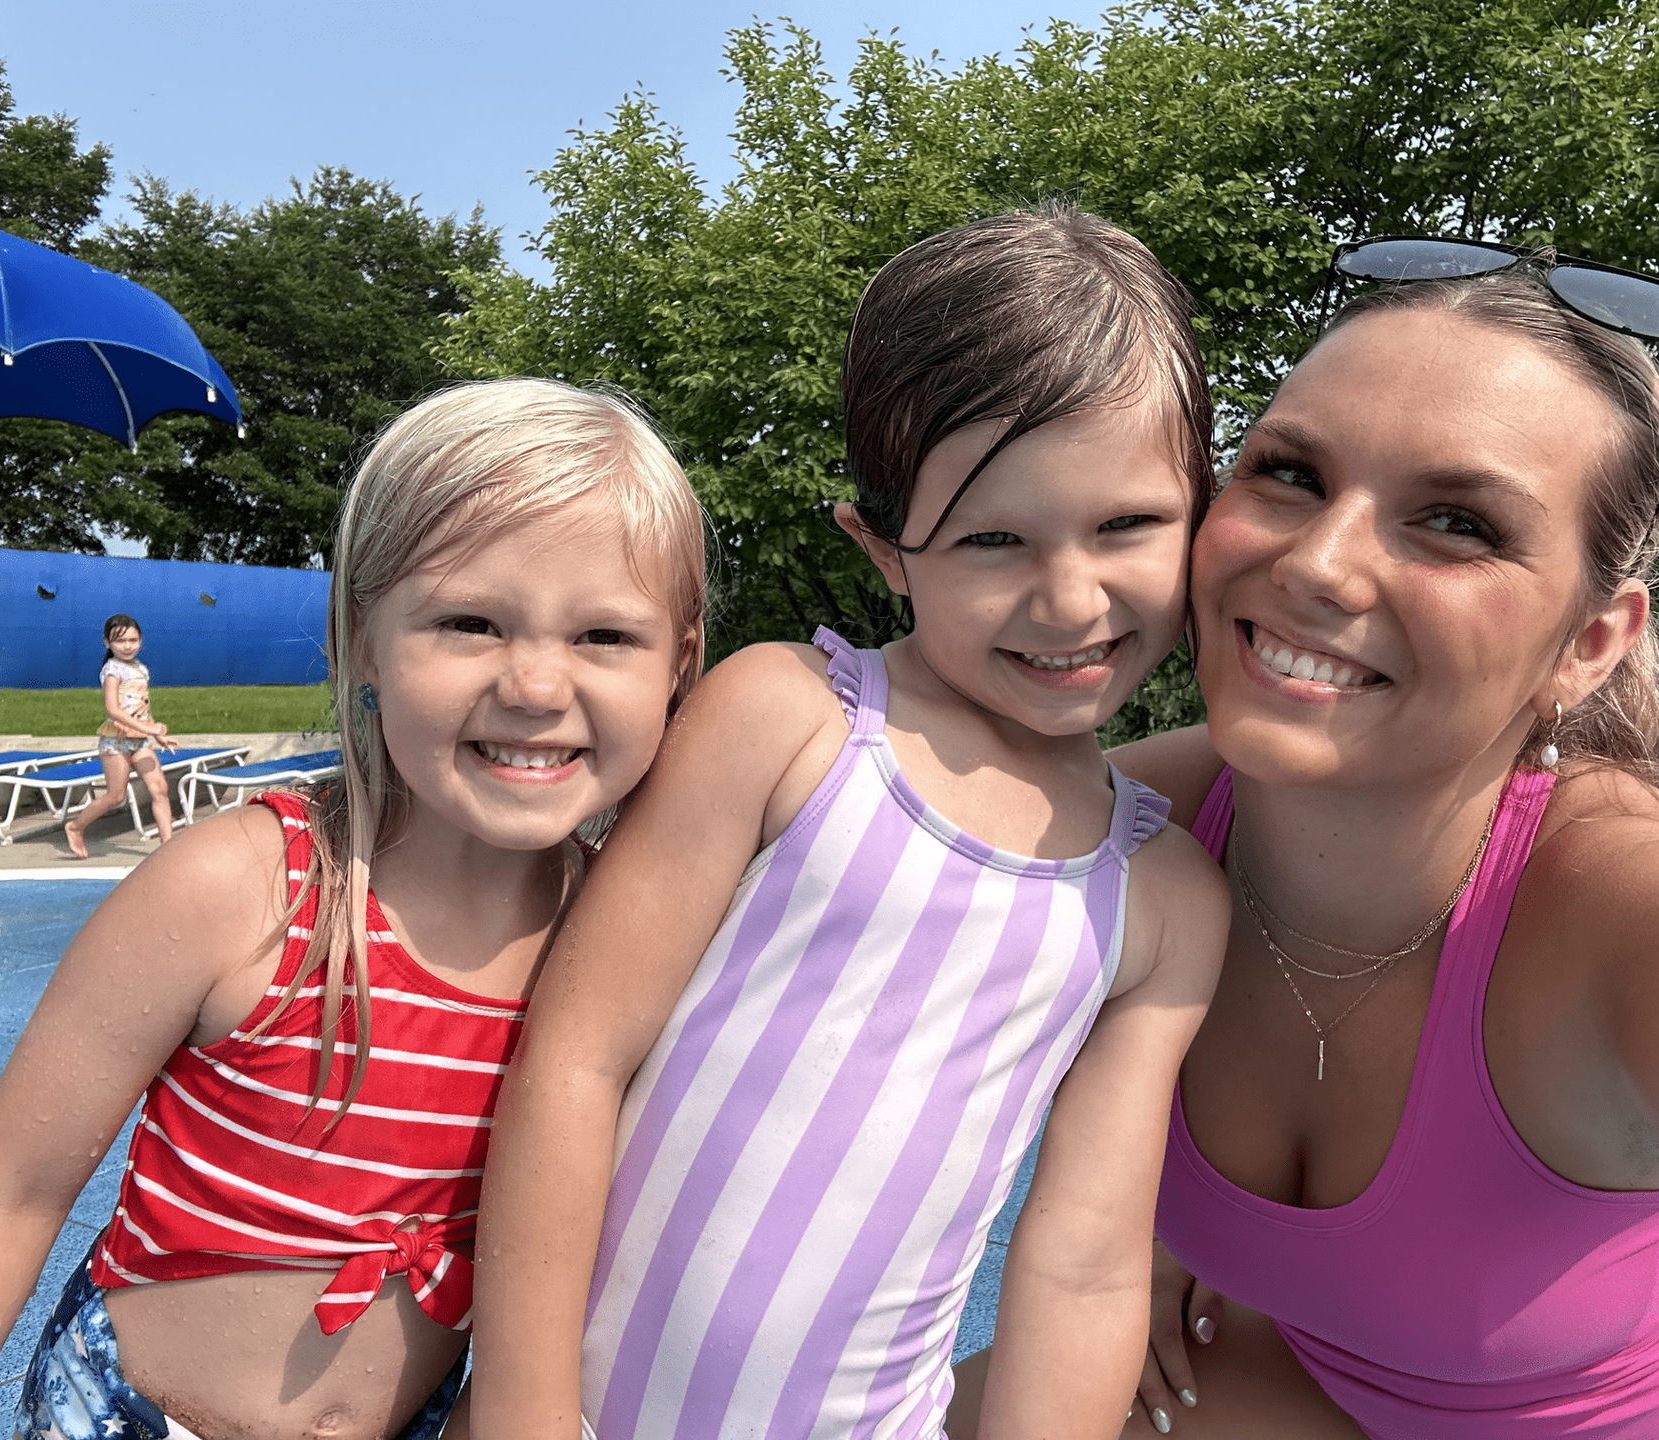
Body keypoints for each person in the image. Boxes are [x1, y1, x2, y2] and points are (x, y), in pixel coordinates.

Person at [966, 251, 1659, 1438]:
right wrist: (1150, 1224)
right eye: (1288, 473)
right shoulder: (1116, 828)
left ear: (1590, 641)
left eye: (1458, 524)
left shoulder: (1655, 919)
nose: (1318, 563)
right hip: (1321, 1363)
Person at [469, 204, 1233, 1440]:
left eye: (1128, 525)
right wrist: (520, 1413)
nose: (1070, 596)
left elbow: (1082, 1265)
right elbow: (574, 1059)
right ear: (882, 549)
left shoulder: (1164, 900)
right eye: (993, 538)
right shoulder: (789, 721)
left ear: (1200, 513)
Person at [0, 377, 709, 1440]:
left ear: (679, 665)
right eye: (469, 622)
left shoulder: (617, 944)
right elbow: (4, 1196)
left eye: (606, 637)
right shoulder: (244, 890)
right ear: (359, 643)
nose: (534, 684)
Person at [63, 613, 175, 858]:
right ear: (107, 643)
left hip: (140, 741)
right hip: (116, 741)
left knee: (160, 789)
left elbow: (142, 708)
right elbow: (113, 710)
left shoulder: (141, 669)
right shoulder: (112, 670)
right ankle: (75, 826)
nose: (127, 646)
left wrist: (157, 734)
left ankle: (168, 848)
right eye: (120, 641)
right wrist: (149, 730)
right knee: (116, 796)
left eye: (133, 640)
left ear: (141, 641)